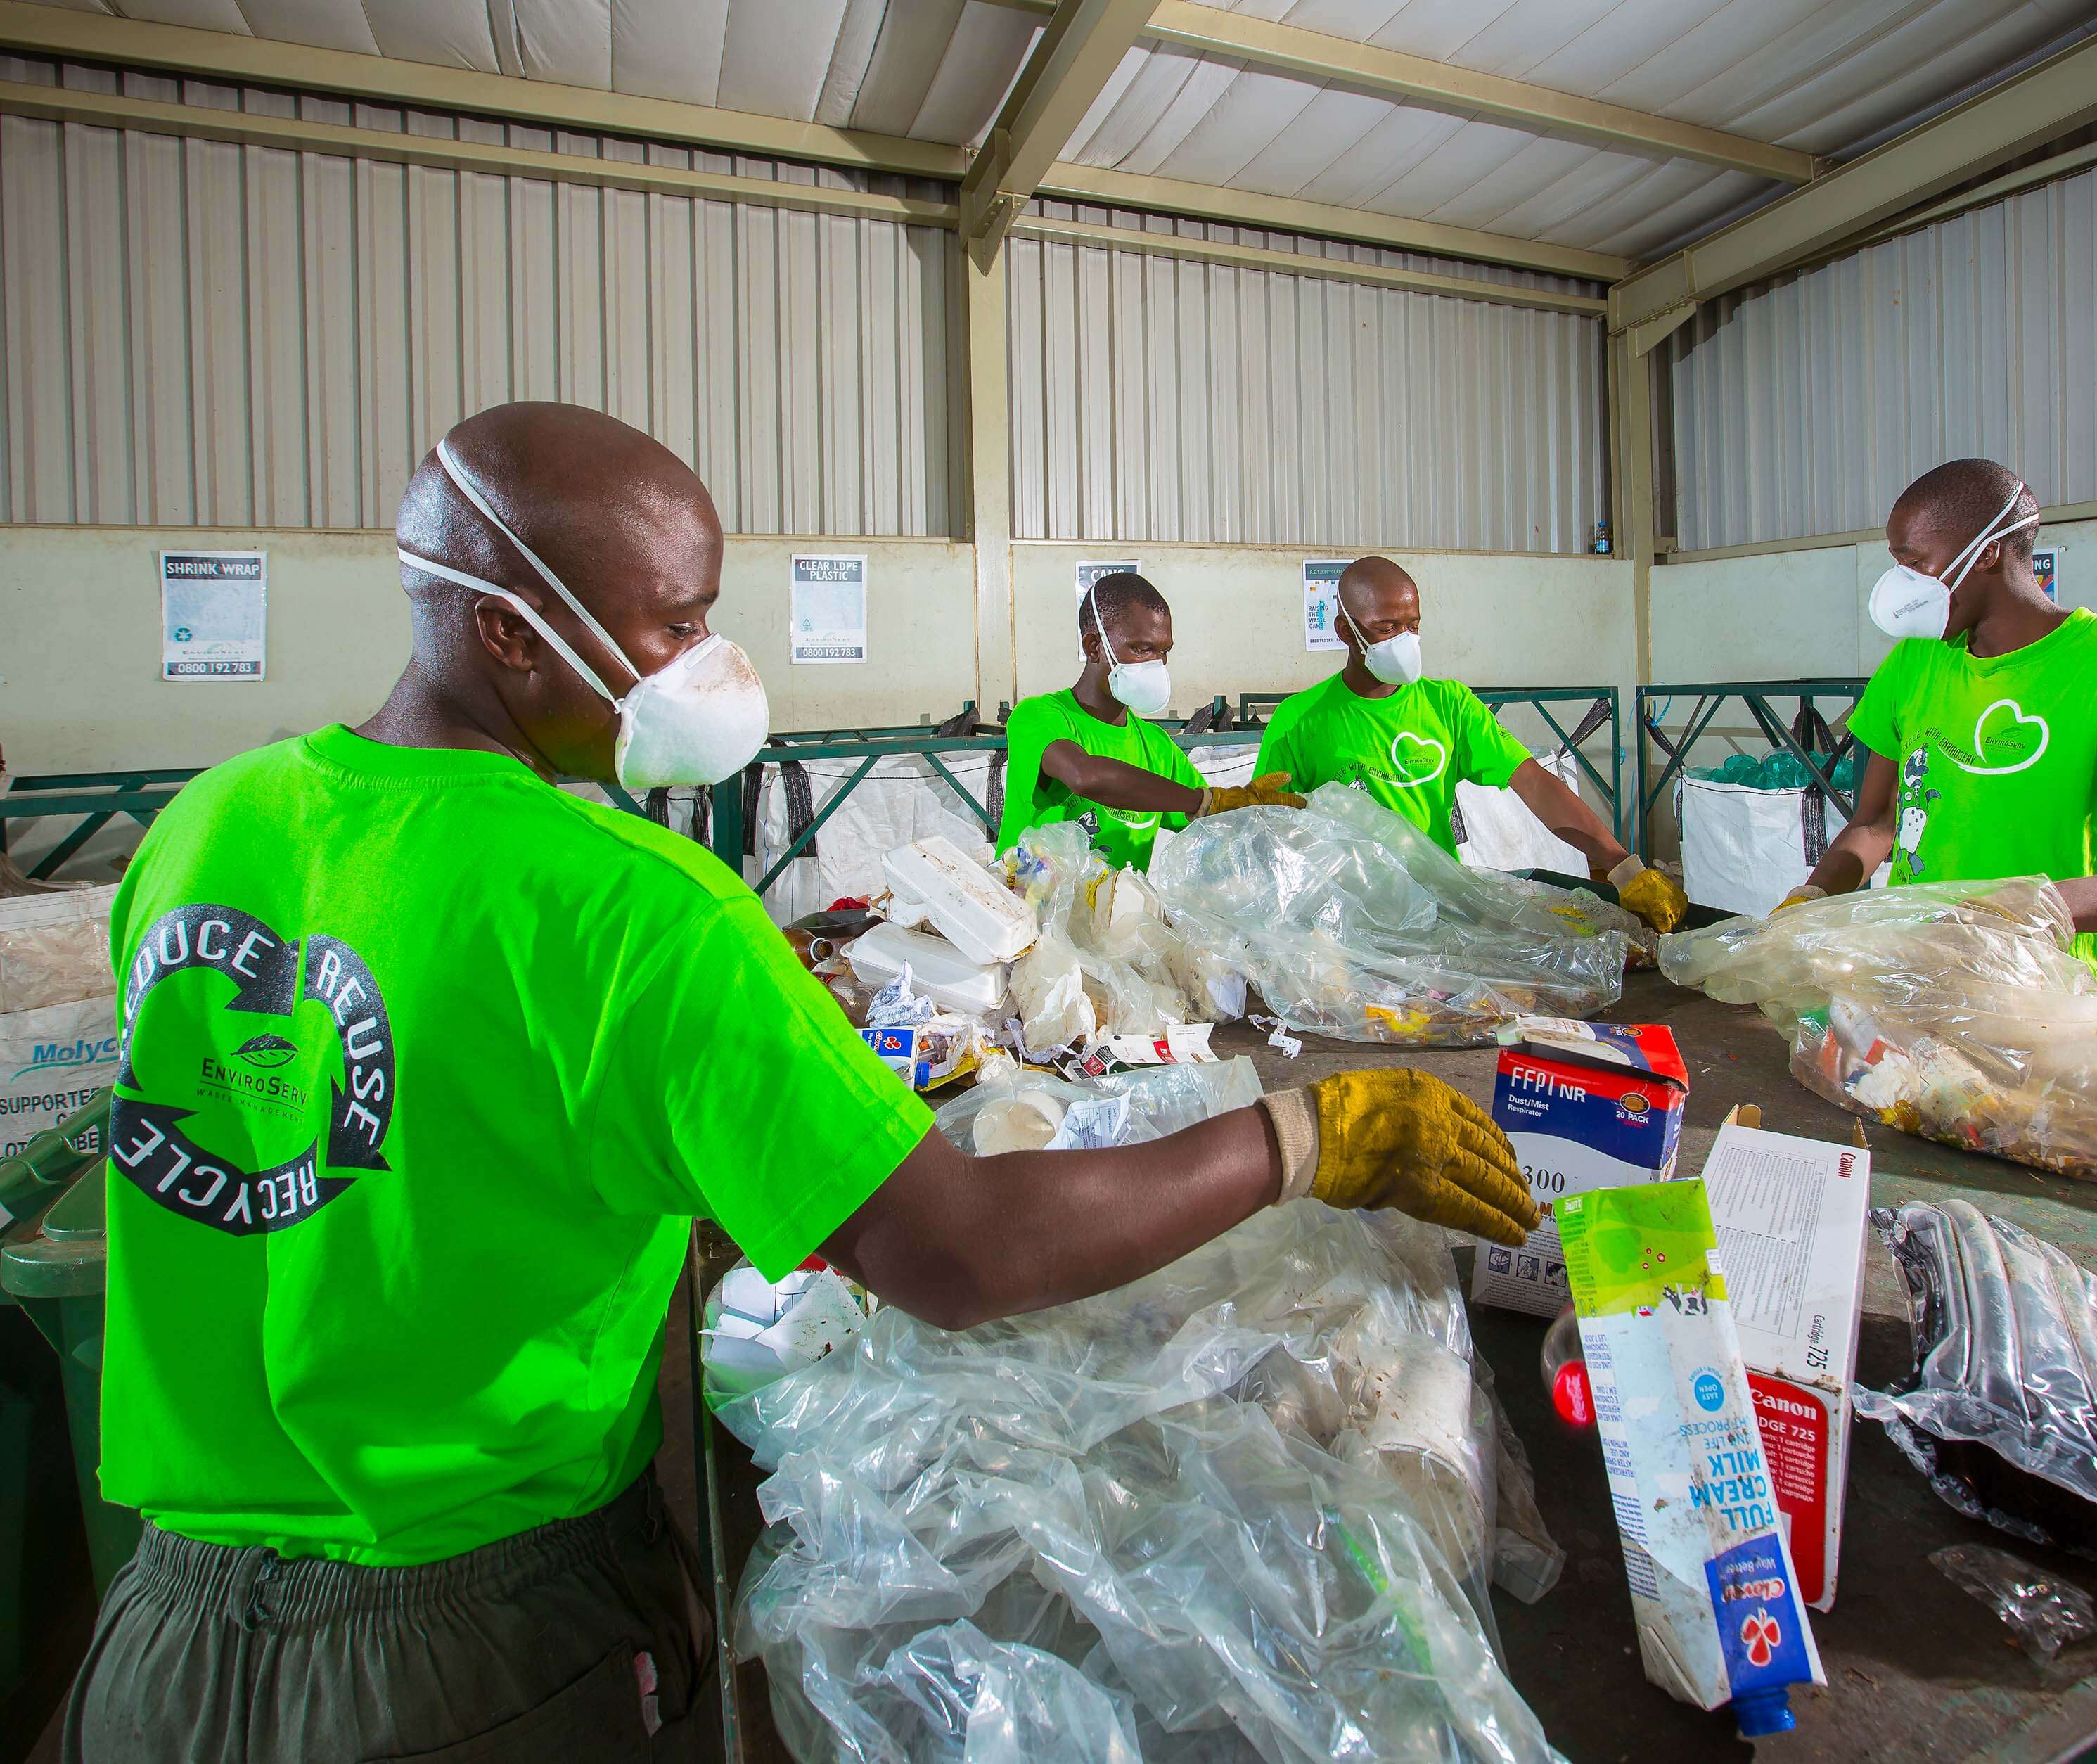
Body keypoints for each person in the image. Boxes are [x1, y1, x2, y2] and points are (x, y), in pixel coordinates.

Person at [65, 404, 1538, 1763]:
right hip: (469, 1654)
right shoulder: (634, 905)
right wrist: (1306, 1132)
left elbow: (379, 1131)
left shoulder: (208, 827)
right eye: (679, 622)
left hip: (155, 1640)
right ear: (515, 635)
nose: (715, 665)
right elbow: (960, 1254)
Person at [1786, 458, 2097, 981]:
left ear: (1986, 554)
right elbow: (1876, 823)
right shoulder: (1913, 663)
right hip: (1913, 971)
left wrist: (2011, 909)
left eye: (1915, 563)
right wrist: (1811, 897)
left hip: (2035, 983)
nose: (1900, 586)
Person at [1255, 555, 1687, 932]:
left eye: (1413, 625)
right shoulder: (1301, 721)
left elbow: (1535, 784)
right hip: (1347, 917)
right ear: (1346, 632)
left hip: (1436, 907)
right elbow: (1265, 829)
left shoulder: (1450, 706)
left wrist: (1621, 865)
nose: (1405, 640)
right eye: (1387, 628)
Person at [996, 571, 1299, 872]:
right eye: (1142, 649)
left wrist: (1250, 817)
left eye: (1163, 651)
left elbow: (1212, 824)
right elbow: (1084, 775)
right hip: (1026, 912)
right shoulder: (1040, 716)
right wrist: (1201, 800)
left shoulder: (1156, 747)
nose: (1157, 664)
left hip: (1115, 919)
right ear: (1094, 647)